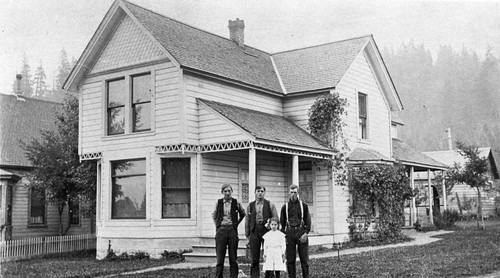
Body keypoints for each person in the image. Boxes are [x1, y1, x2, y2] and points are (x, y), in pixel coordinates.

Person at [212, 184, 246, 278]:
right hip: (221, 231)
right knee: (220, 258)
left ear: (232, 191)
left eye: (229, 191)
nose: (227, 193)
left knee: (233, 258)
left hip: (232, 230)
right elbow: (214, 215)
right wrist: (218, 226)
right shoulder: (218, 202)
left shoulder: (236, 202)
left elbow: (243, 213)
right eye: (225, 191)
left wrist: (236, 224)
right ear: (222, 192)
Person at [245, 185, 279, 278]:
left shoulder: (270, 204)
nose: (260, 193)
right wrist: (247, 237)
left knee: (269, 256)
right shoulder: (250, 205)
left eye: (262, 191)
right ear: (255, 192)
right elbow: (247, 221)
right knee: (254, 258)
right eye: (258, 191)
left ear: (264, 193)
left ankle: (270, 276)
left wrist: (270, 226)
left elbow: (276, 218)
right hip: (254, 232)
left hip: (266, 232)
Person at [280, 184, 311, 278]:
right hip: (290, 233)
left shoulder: (304, 206)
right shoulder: (285, 207)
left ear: (298, 193)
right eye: (291, 192)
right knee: (290, 260)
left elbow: (308, 221)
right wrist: (284, 236)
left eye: (295, 192)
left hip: (301, 232)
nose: (293, 194)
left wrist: (306, 233)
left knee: (304, 260)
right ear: (289, 193)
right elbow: (282, 224)